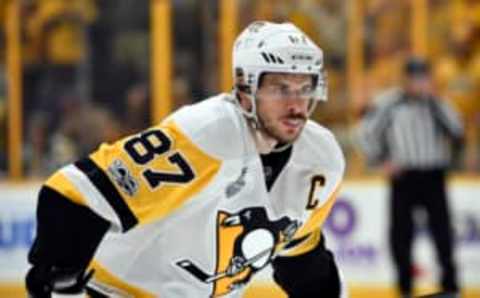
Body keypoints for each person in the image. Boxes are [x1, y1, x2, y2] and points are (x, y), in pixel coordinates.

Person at [26, 21, 347, 298]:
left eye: (305, 87)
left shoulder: (321, 158)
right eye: (280, 88)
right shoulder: (208, 133)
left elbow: (300, 254)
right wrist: (55, 271)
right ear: (246, 88)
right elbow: (74, 195)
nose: (296, 104)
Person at [359, 57, 463, 298]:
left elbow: (457, 131)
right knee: (401, 235)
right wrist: (381, 160)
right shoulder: (390, 103)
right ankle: (405, 289)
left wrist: (435, 101)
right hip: (404, 177)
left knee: (443, 233)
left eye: (422, 78)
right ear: (405, 80)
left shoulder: (437, 104)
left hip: (433, 175)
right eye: (414, 78)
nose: (418, 83)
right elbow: (365, 133)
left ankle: (451, 287)